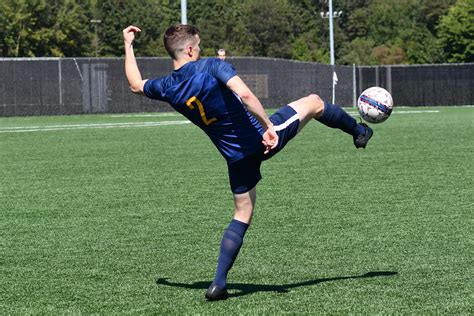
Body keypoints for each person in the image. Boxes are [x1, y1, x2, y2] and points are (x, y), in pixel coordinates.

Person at [123, 24, 373, 301]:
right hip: (260, 140)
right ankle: (360, 131)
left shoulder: (167, 87)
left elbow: (135, 84)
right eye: (200, 45)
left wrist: (128, 44)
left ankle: (218, 284)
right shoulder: (209, 67)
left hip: (234, 158)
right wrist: (268, 126)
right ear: (191, 49)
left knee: (242, 213)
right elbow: (245, 95)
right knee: (314, 102)